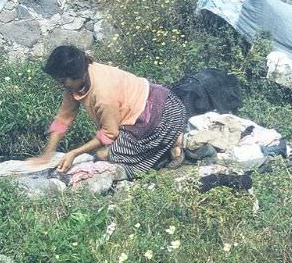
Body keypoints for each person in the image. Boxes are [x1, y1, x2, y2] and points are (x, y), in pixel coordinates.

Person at [30, 45, 186, 178]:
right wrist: (47, 154)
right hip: (156, 105)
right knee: (104, 152)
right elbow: (64, 118)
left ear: (76, 75)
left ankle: (171, 142)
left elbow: (110, 134)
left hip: (159, 115)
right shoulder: (77, 82)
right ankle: (170, 142)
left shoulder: (103, 92)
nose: (60, 85)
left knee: (105, 156)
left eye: (62, 81)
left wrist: (74, 153)